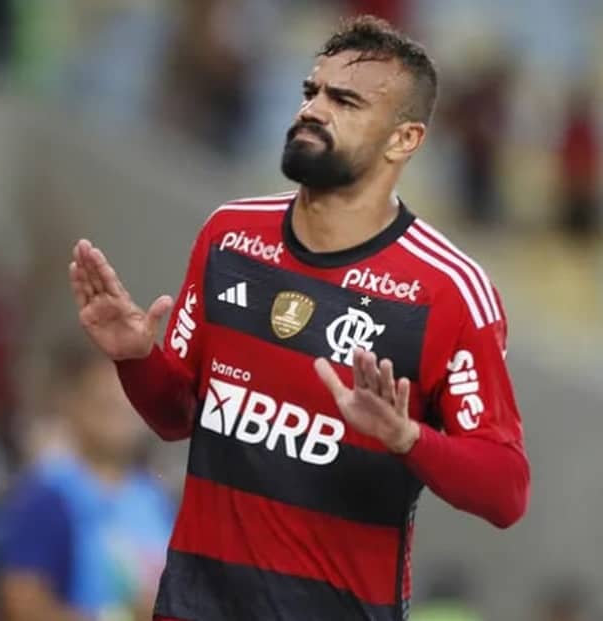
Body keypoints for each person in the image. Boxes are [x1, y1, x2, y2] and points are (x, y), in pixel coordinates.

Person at [68, 16, 530, 621]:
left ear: (404, 139)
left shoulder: (448, 291)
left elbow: (506, 490)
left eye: (345, 101)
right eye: (311, 92)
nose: (313, 109)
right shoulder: (230, 237)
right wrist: (135, 357)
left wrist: (407, 437)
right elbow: (177, 416)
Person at [0, 341, 175, 621]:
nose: (118, 415)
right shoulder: (50, 495)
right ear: (73, 404)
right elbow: (22, 605)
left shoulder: (154, 498)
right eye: (104, 403)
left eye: (126, 402)